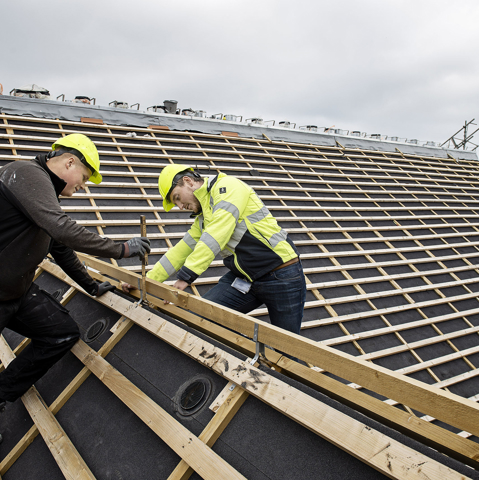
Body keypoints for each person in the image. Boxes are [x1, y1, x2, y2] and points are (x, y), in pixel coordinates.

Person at [0, 133, 150, 413]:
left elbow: (60, 245)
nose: (83, 186)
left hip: (15, 291)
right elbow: (63, 229)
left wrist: (90, 285)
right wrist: (122, 250)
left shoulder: (43, 191)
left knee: (61, 333)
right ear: (69, 162)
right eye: (84, 177)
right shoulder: (27, 173)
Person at [144, 164, 306, 335]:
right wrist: (146, 281)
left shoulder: (228, 188)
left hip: (281, 275)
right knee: (199, 316)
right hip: (245, 277)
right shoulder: (204, 215)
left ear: (188, 181)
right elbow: (181, 250)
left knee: (285, 350)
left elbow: (217, 233)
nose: (180, 206)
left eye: (177, 198)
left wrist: (185, 277)